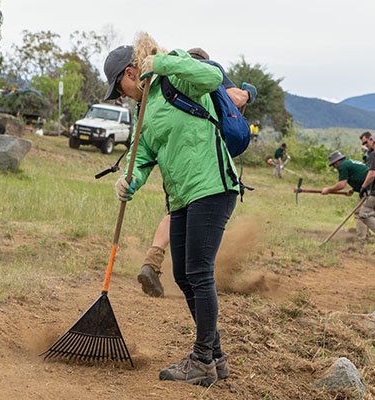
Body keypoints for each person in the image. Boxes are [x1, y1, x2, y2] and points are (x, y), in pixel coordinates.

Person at [105, 33, 236, 386]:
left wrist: (162, 62)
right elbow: (141, 158)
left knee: (199, 272)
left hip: (212, 187)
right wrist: (128, 182)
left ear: (132, 73)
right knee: (183, 276)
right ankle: (217, 357)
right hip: (180, 198)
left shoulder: (175, 78)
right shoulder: (144, 113)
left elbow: (213, 77)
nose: (121, 96)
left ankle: (202, 360)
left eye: (119, 88)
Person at [136, 47, 257, 299]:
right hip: (208, 167)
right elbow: (237, 98)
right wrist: (247, 93)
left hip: (183, 162)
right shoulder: (215, 80)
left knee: (174, 211)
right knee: (194, 220)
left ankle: (153, 259)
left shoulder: (186, 80)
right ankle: (191, 276)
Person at [322, 150, 370, 241]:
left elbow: (341, 185)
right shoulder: (348, 163)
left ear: (337, 161)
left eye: (333, 164)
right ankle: (366, 236)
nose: (334, 167)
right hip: (370, 188)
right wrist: (354, 189)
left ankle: (362, 239)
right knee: (365, 213)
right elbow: (360, 175)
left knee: (360, 213)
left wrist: (328, 189)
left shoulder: (342, 166)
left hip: (369, 189)